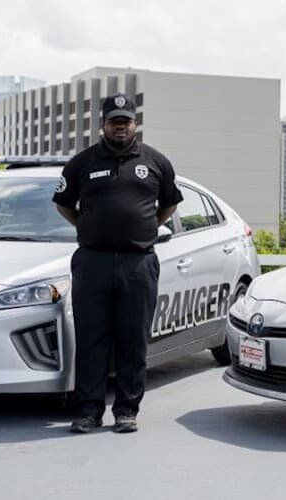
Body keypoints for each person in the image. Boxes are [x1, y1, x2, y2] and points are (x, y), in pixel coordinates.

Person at [52, 93, 182, 434]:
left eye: (126, 121)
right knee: (91, 340)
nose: (120, 126)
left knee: (133, 340)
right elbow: (64, 204)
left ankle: (126, 411)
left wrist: (147, 225)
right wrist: (87, 224)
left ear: (134, 124)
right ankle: (88, 411)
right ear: (103, 125)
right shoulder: (82, 163)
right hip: (92, 262)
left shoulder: (156, 162)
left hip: (138, 264)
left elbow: (169, 205)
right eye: (114, 121)